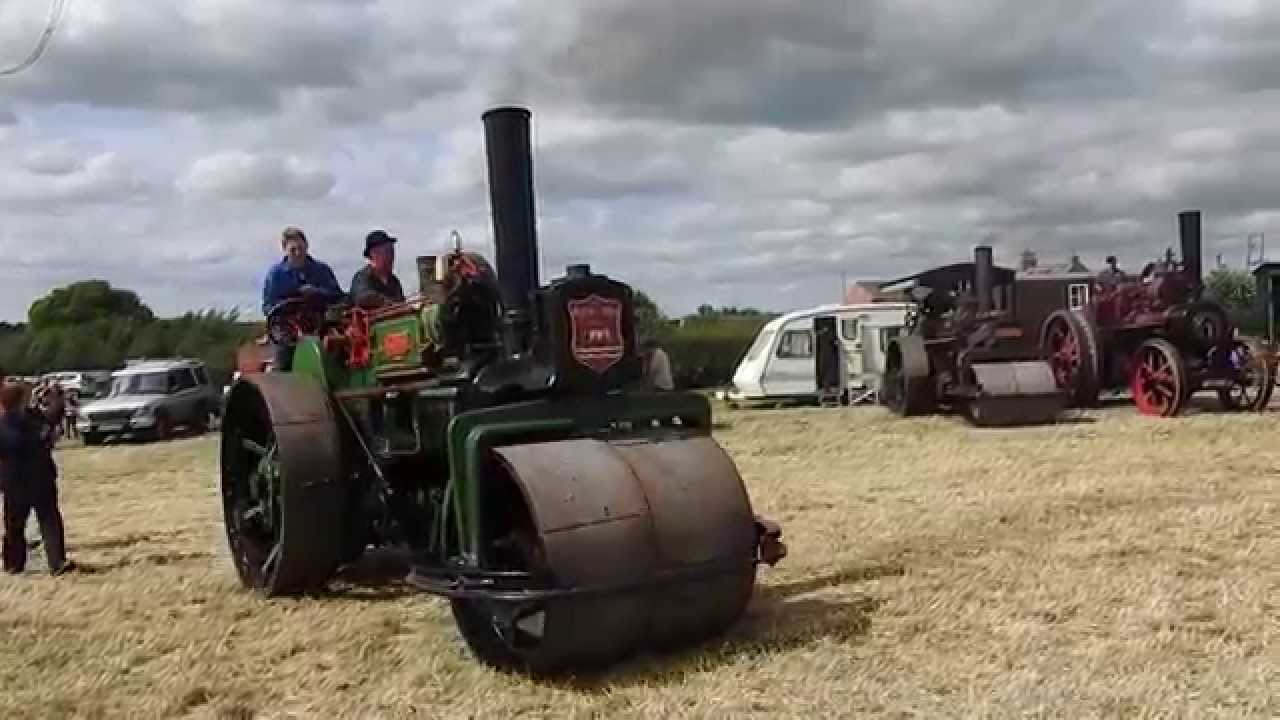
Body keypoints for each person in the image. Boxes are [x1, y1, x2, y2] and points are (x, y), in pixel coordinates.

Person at [0, 381, 74, 576]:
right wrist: (57, 399)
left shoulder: (4, 423)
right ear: (20, 400)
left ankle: (13, 564)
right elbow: (52, 418)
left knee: (14, 524)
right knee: (49, 520)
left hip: (13, 481)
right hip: (40, 477)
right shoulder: (33, 418)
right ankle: (57, 562)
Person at [261, 226, 345, 371]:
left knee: (340, 346)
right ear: (285, 249)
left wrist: (317, 292)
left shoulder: (322, 270)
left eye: (301, 248)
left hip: (320, 323)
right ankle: (283, 382)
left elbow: (338, 296)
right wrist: (284, 310)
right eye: (293, 250)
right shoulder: (276, 275)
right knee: (284, 358)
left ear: (307, 245)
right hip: (287, 329)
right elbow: (268, 306)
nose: (298, 253)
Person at [349, 229, 406, 309]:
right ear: (373, 254)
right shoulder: (362, 277)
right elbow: (363, 297)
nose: (391, 257)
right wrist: (390, 304)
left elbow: (402, 303)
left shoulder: (394, 281)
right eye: (386, 252)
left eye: (391, 251)